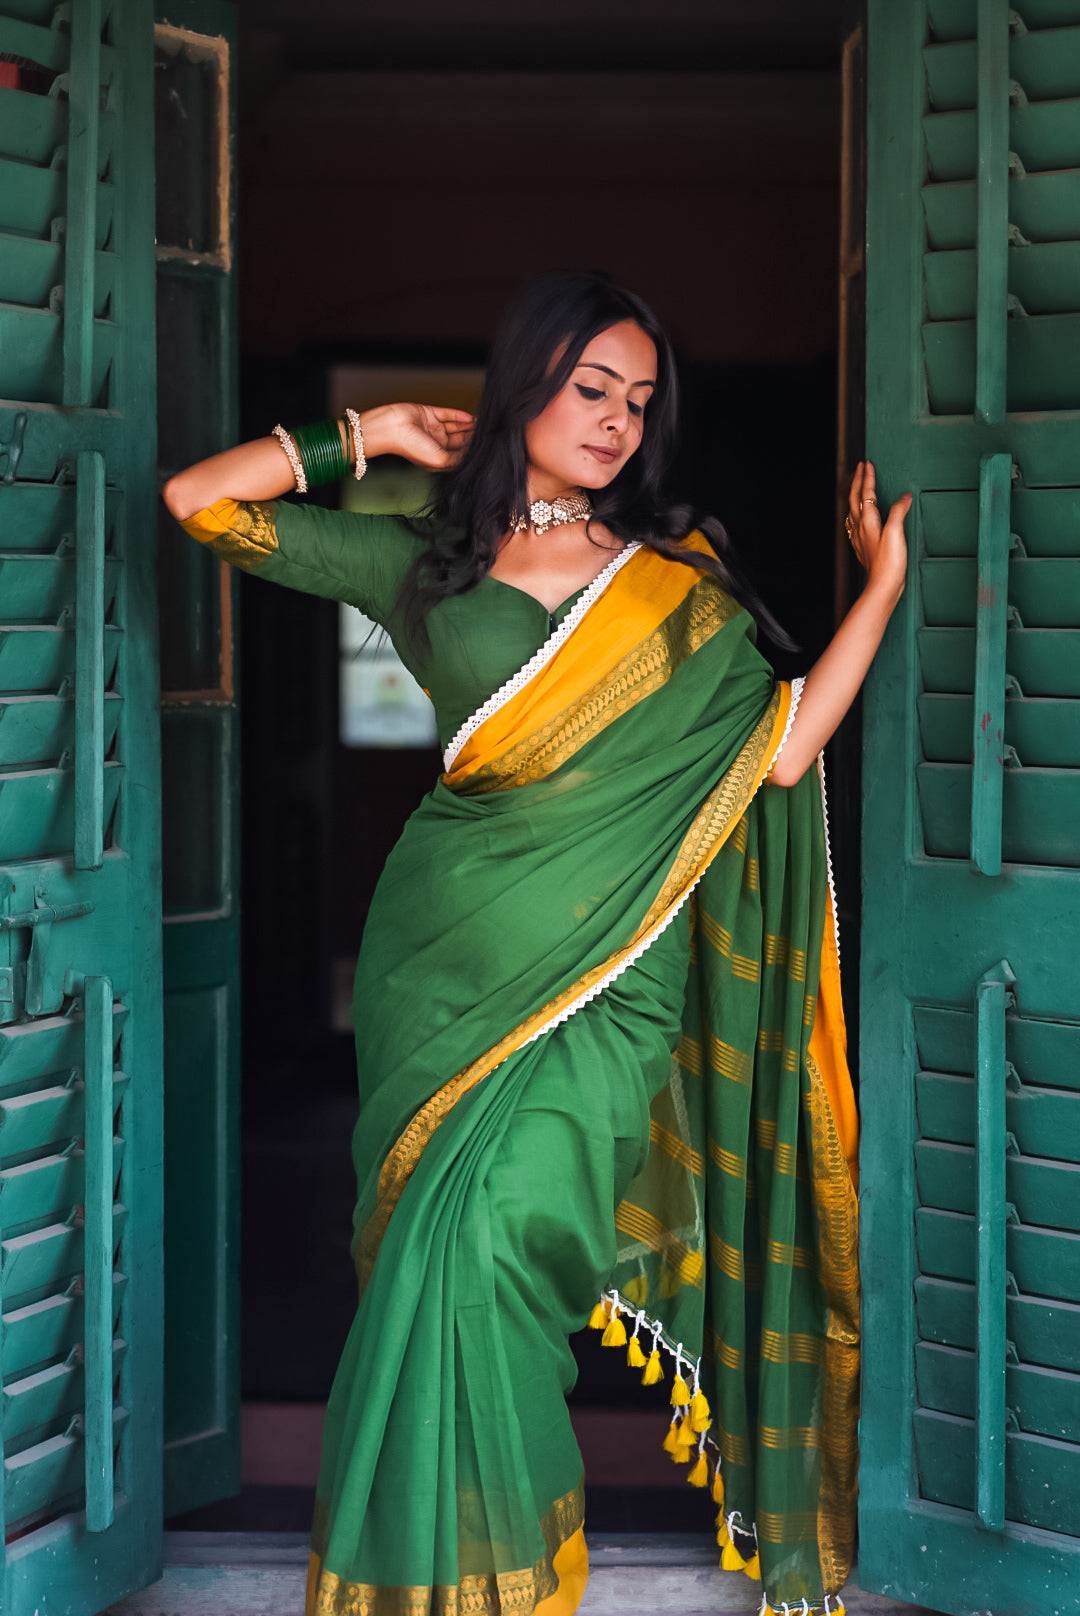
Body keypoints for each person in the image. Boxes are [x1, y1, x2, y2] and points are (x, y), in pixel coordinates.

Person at [163, 269, 909, 1616]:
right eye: (591, 389)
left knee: (495, 1243)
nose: (619, 421)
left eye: (640, 400)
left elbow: (785, 749)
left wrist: (884, 589)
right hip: (440, 966)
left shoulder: (678, 580)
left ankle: (500, 1583)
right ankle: (455, 1581)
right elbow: (200, 504)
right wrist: (373, 433)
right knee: (427, 1266)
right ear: (522, 389)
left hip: (612, 984)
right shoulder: (422, 560)